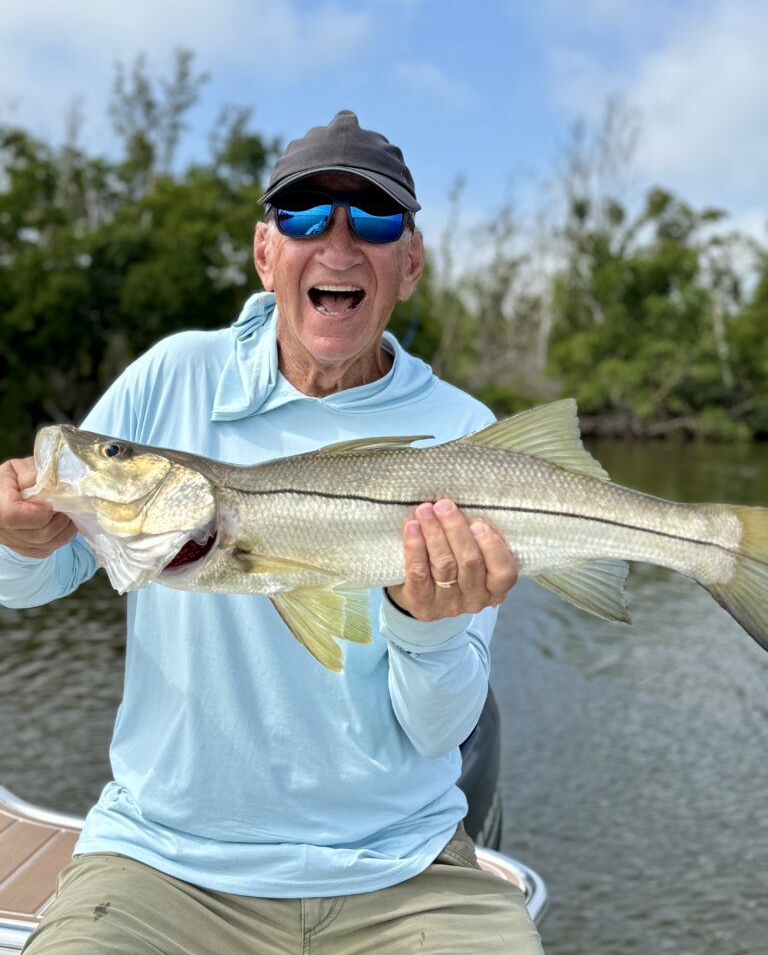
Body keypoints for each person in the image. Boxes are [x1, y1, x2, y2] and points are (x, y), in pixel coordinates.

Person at [0, 110, 545, 954]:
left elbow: (440, 733)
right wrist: (18, 541)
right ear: (265, 254)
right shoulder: (172, 377)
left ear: (410, 264)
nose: (337, 244)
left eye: (372, 220)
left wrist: (428, 629)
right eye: (302, 217)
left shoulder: (463, 436)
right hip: (161, 865)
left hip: (402, 869)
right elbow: (41, 579)